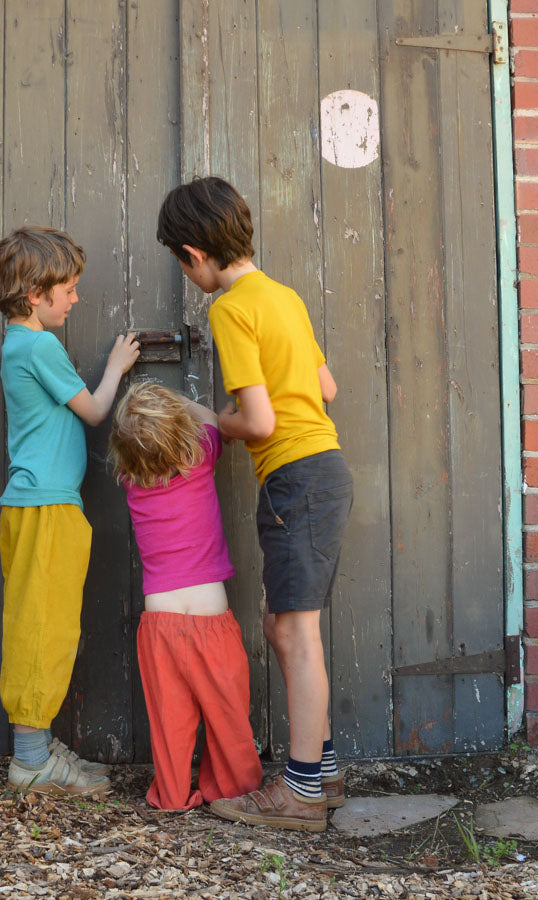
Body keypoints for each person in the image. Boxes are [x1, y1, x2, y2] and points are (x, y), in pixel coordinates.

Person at [157, 177, 353, 832]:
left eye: (183, 265)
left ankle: (300, 793)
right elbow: (327, 386)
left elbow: (261, 421)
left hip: (295, 477)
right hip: (323, 471)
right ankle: (322, 771)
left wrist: (210, 418)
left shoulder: (231, 308)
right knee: (284, 626)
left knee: (295, 632)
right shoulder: (283, 295)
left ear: (194, 255)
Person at [0, 225, 140, 797]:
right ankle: (30, 761)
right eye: (69, 289)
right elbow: (95, 411)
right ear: (35, 294)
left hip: (39, 507)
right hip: (47, 507)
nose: (75, 299)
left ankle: (38, 745)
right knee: (43, 628)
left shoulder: (18, 344)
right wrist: (117, 366)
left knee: (40, 621)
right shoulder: (39, 347)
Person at [109, 381, 263, 810]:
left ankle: (173, 793)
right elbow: (211, 419)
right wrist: (177, 400)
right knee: (228, 714)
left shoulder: (130, 481)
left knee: (170, 720)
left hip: (159, 624)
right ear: (179, 428)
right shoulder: (202, 455)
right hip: (209, 620)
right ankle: (235, 790)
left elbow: (138, 444)